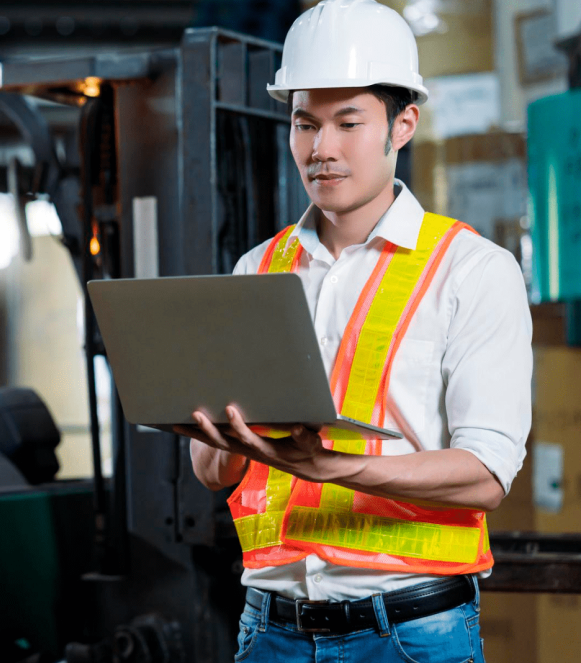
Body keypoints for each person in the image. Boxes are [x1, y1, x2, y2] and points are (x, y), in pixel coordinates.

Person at [179, 2, 530, 662]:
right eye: (305, 123)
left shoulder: (472, 270)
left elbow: (486, 473)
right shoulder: (257, 268)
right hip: (269, 627)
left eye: (348, 123)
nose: (322, 149)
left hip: (410, 631)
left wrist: (336, 467)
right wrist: (218, 434)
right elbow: (212, 473)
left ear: (403, 125)